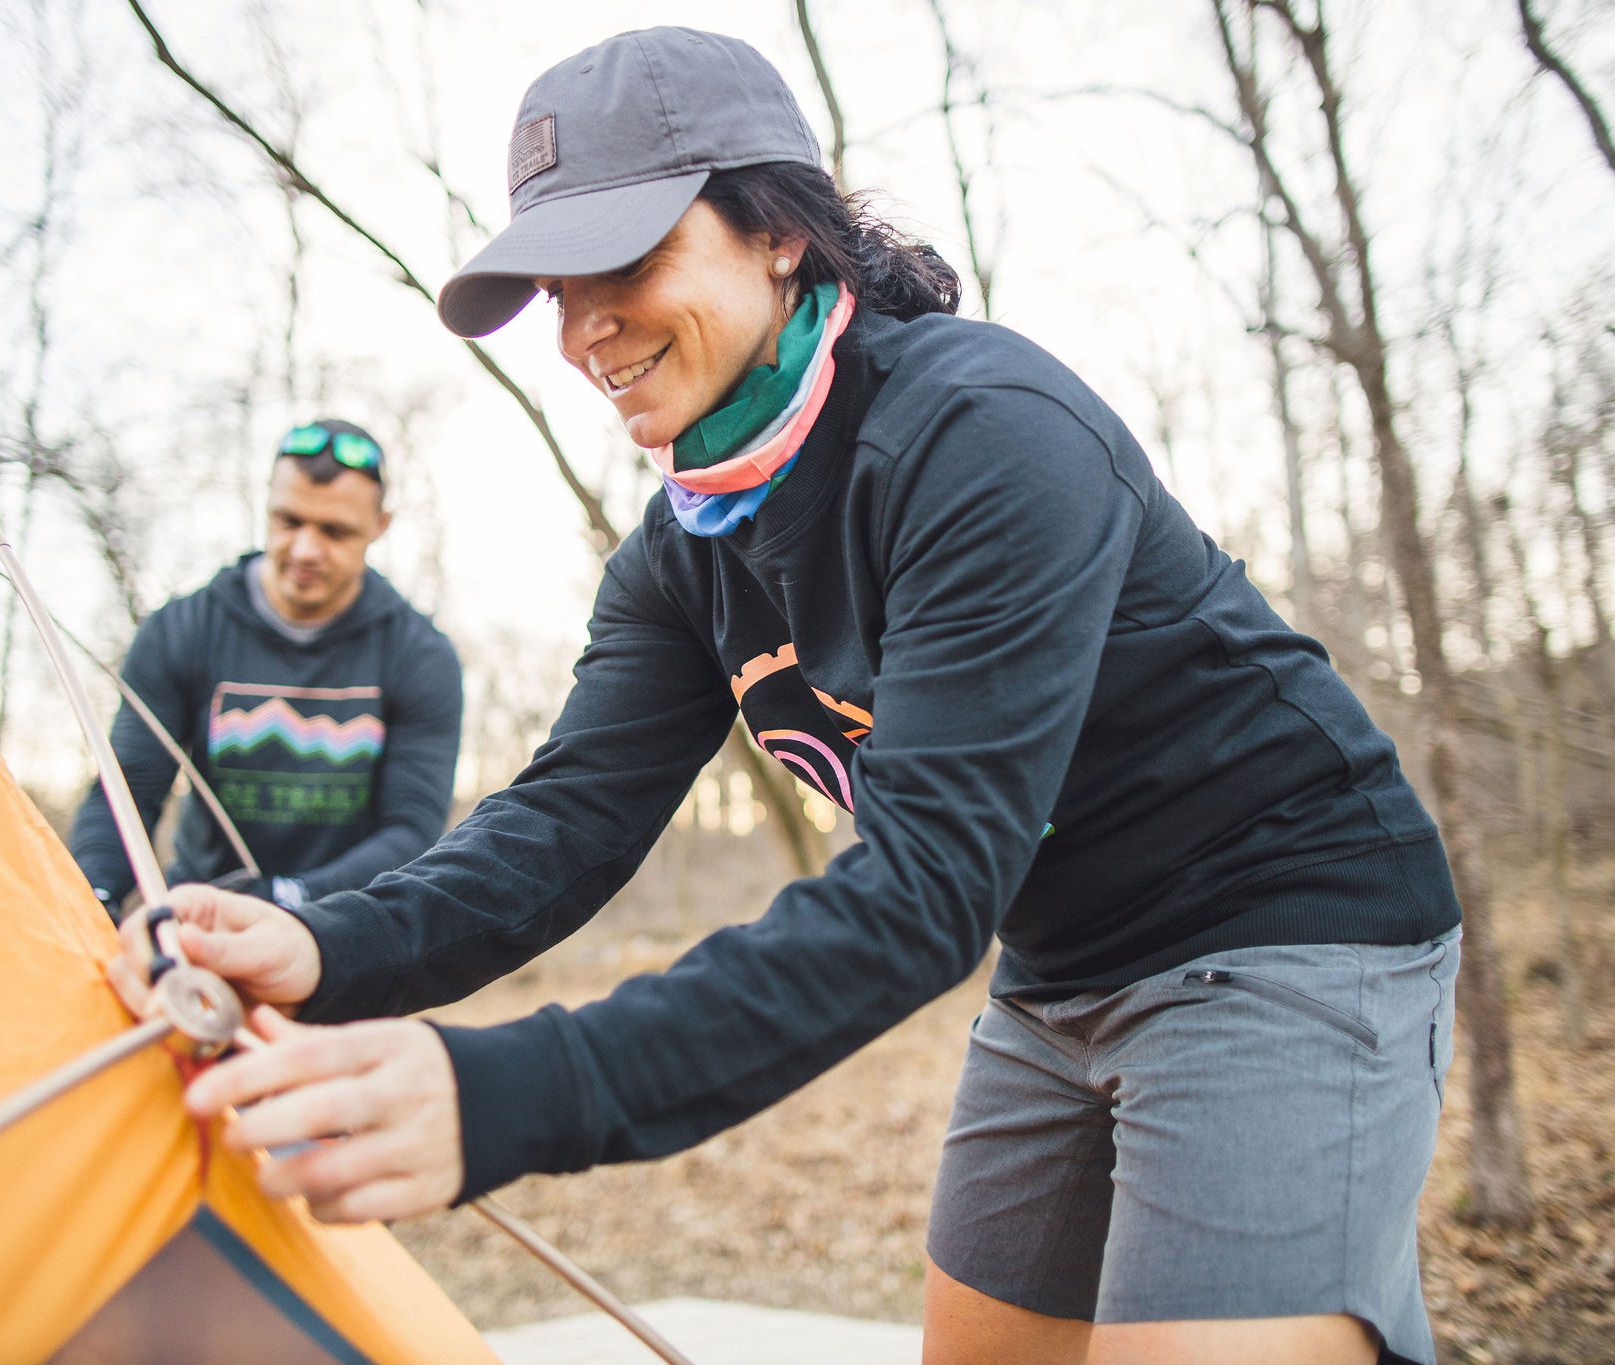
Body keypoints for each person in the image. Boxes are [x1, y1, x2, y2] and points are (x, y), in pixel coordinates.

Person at [115, 29, 1461, 1365]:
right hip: (1061, 972)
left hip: (1287, 922)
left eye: (623, 262)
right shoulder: (683, 547)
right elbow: (567, 822)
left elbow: (926, 886)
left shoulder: (983, 432)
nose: (580, 332)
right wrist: (327, 950)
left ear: (778, 232)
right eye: (554, 290)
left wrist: (506, 1093)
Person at [72, 418, 462, 918]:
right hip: (201, 915)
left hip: (348, 925)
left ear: (380, 525)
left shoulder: (419, 654)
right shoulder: (181, 629)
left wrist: (283, 899)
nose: (305, 549)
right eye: (288, 521)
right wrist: (94, 899)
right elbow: (127, 791)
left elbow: (411, 832)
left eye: (335, 531)